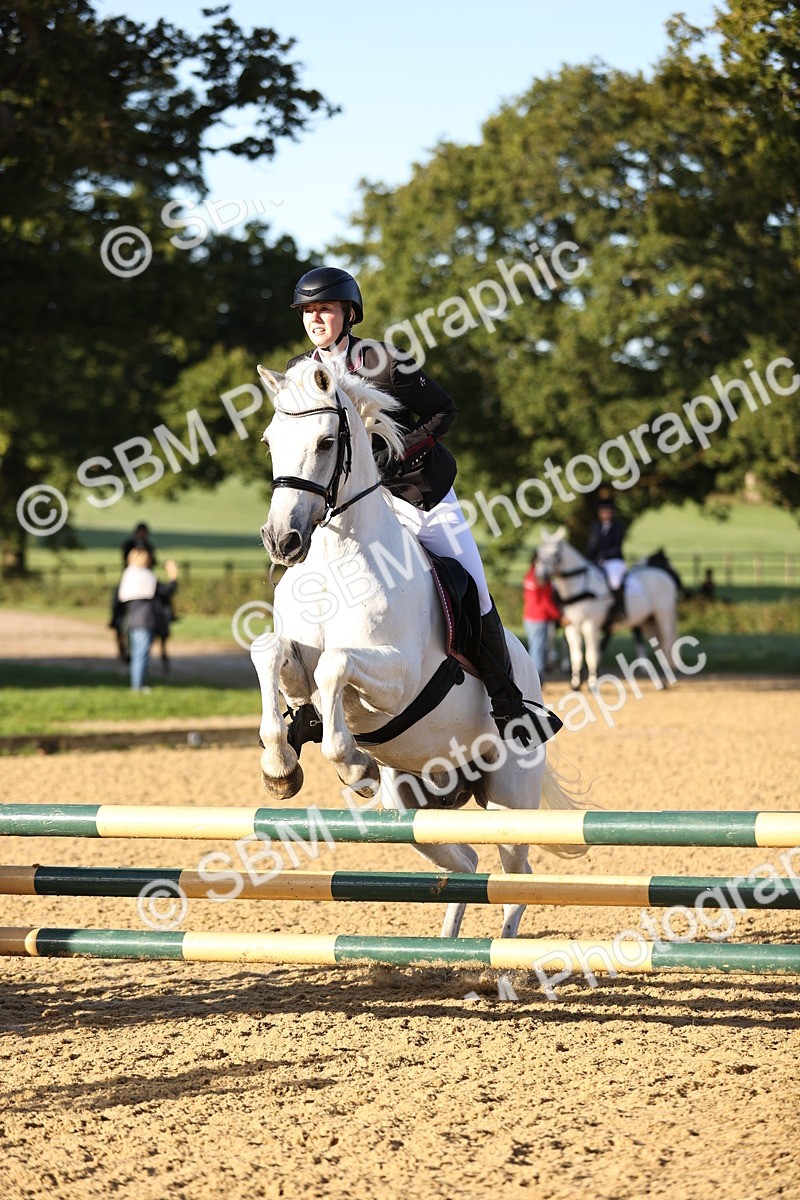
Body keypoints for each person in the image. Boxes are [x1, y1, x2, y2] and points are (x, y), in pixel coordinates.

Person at [286, 265, 549, 746]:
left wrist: (395, 450)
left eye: (324, 309)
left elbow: (444, 410)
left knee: (474, 583)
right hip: (350, 507)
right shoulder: (301, 373)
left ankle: (509, 702)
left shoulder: (382, 361)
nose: (315, 318)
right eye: (307, 311)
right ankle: (307, 705)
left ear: (349, 314)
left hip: (418, 495)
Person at [110, 550, 178, 692]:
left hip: (130, 620)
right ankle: (138, 687)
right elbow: (166, 591)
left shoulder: (127, 575)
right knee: (142, 654)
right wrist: (173, 576)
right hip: (145, 619)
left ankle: (138, 684)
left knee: (136, 654)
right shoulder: (147, 576)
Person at [586, 496, 627, 627]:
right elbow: (592, 546)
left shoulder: (618, 527)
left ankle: (619, 608)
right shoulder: (595, 526)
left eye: (608, 512)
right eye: (603, 512)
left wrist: (603, 556)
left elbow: (616, 546)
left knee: (614, 582)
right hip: (598, 561)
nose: (605, 514)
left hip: (614, 560)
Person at [522, 553, 562, 682]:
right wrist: (559, 616)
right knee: (538, 652)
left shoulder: (530, 575)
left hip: (529, 617)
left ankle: (533, 680)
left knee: (535, 649)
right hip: (539, 618)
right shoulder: (541, 579)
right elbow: (545, 603)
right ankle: (536, 681)